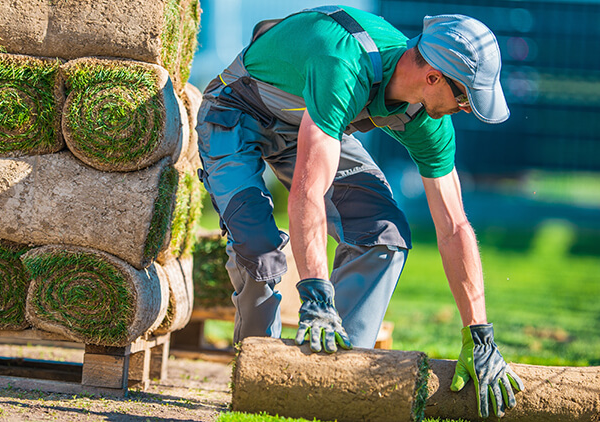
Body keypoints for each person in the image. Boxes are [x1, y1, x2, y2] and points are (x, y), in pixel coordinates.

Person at [195, 5, 524, 418]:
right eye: (463, 96)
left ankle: (330, 382)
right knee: (259, 251)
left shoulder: (427, 119)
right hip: (235, 112)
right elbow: (307, 192)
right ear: (433, 76)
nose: (464, 108)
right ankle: (262, 382)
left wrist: (480, 335)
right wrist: (314, 292)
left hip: (312, 123)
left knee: (383, 235)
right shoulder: (343, 65)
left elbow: (454, 224)